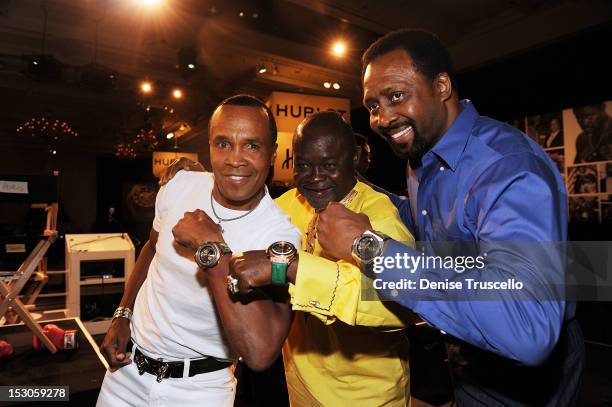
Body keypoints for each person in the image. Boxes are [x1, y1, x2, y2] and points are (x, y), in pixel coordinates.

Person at [316, 29, 584, 406]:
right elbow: (430, 223)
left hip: (525, 383)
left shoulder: (508, 170)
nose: (382, 117)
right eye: (373, 105)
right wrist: (352, 182)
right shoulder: (422, 159)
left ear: (441, 85)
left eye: (396, 96)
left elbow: (528, 328)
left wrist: (368, 247)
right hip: (468, 363)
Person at [165, 111, 416, 406]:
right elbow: (240, 219)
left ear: (355, 160)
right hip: (299, 389)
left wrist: (290, 267)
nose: (315, 177)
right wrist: (198, 183)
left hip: (367, 396)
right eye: (304, 166)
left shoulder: (377, 213)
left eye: (329, 165)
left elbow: (403, 302)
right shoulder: (289, 206)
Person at [96, 95, 301, 406]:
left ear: (272, 153)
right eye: (223, 144)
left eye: (252, 145)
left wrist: (212, 247)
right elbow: (151, 249)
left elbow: (260, 353)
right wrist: (122, 314)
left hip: (200, 390)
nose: (235, 158)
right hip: (125, 374)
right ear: (209, 146)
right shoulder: (179, 185)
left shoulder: (279, 238)